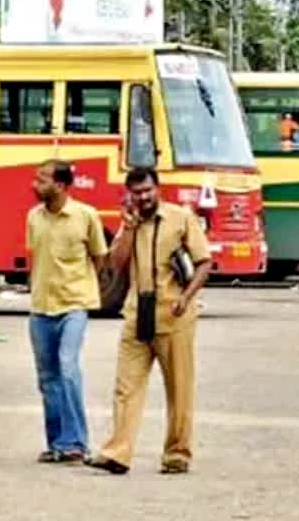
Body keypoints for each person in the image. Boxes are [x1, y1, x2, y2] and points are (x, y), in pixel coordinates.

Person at [85, 167, 211, 475]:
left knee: (179, 387)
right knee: (126, 386)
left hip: (174, 313)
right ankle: (118, 452)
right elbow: (115, 264)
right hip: (136, 313)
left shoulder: (181, 218)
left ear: (158, 189)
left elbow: (203, 262)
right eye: (137, 193)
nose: (143, 197)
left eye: (147, 191)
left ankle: (177, 453)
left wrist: (187, 296)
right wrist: (127, 228)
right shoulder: (132, 222)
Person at [26, 160, 109, 464]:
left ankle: (76, 441)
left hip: (74, 304)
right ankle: (57, 442)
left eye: (42, 179)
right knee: (47, 378)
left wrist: (86, 288)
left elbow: (100, 258)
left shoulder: (86, 216)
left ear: (60, 185)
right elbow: (35, 258)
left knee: (68, 367)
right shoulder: (33, 217)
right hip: (40, 307)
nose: (35, 185)